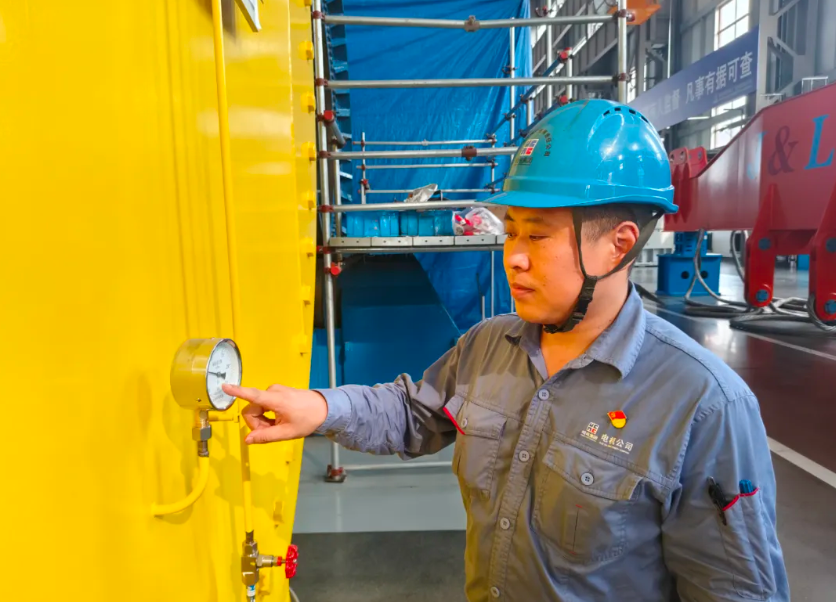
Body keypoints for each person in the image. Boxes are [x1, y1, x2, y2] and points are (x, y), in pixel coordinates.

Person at [224, 99, 789, 601]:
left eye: (537, 235)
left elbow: (736, 590)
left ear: (619, 245)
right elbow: (413, 412)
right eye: (511, 230)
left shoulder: (703, 406)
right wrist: (321, 408)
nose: (513, 256)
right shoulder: (489, 345)